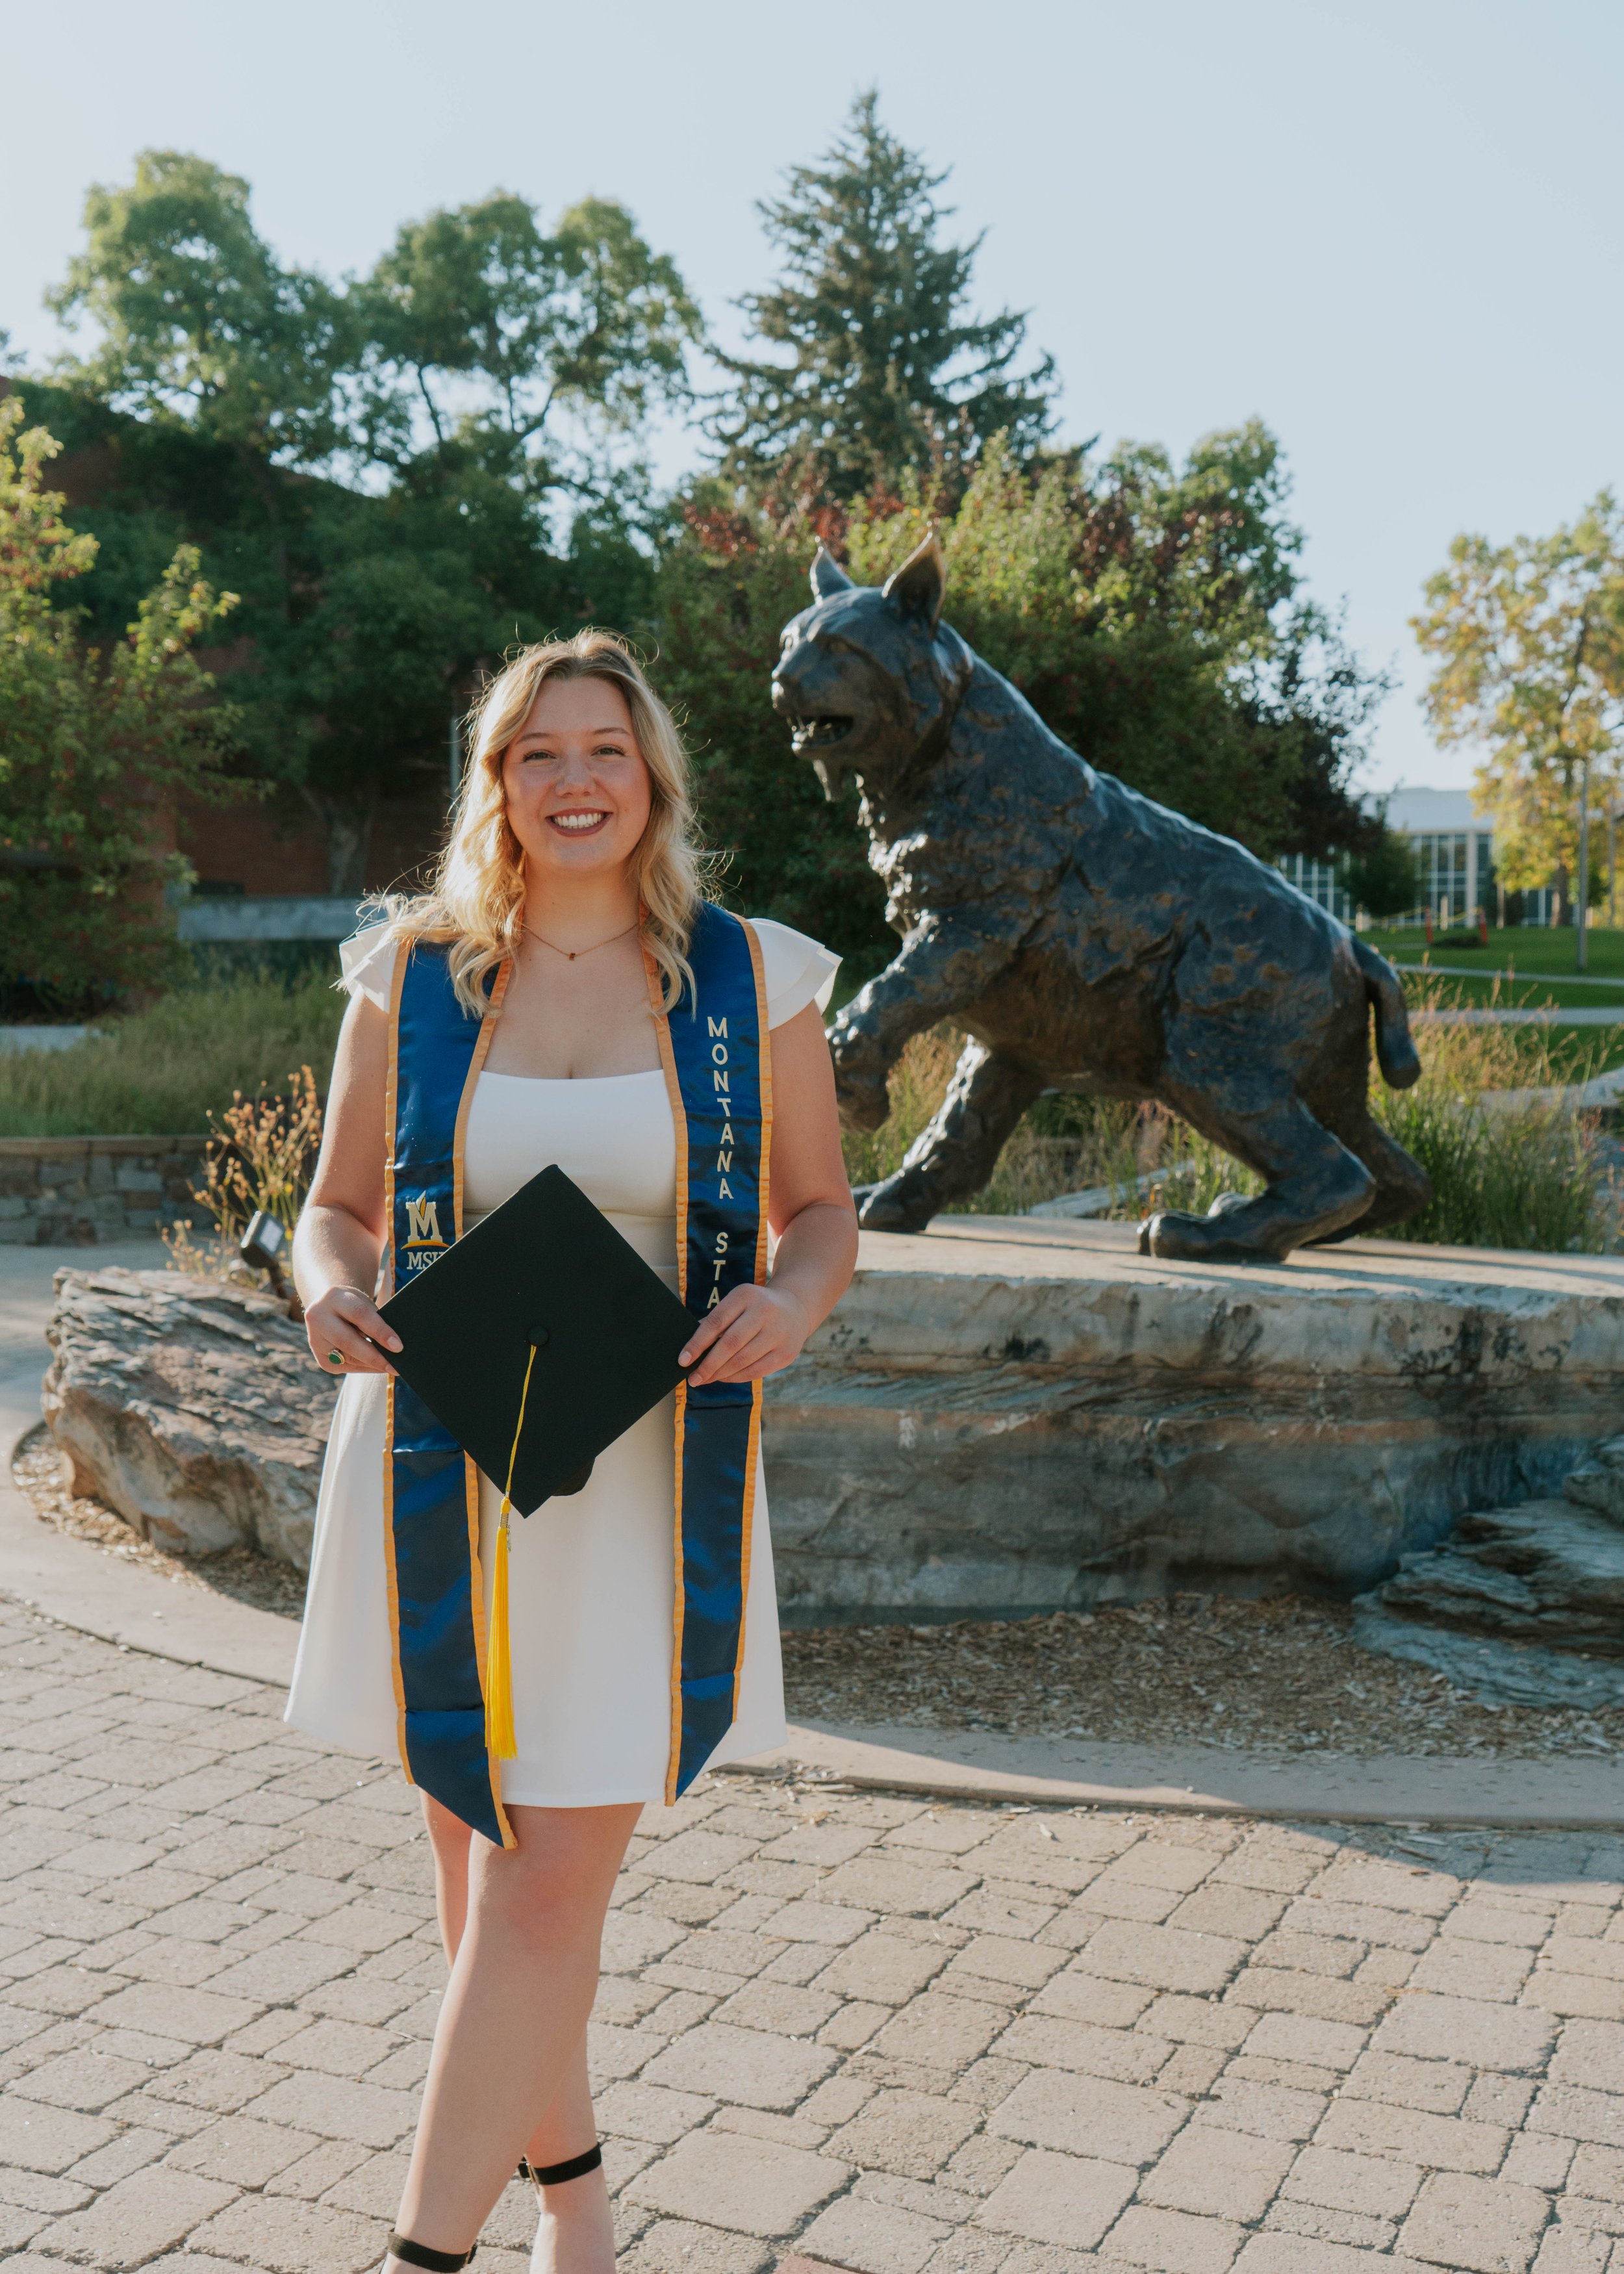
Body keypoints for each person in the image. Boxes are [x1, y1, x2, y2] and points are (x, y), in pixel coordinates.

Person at [286, 630, 858, 2274]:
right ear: (498, 787)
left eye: (602, 747)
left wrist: (791, 1308)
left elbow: (820, 1217)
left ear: (652, 774)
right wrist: (327, 1288)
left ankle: (417, 2258)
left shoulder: (758, 980)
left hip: (640, 1478)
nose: (574, 779)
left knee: (542, 1905)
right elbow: (332, 1210)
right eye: (536, 754)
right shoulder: (412, 972)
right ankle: (580, 2217)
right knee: (482, 1899)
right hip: (436, 1470)